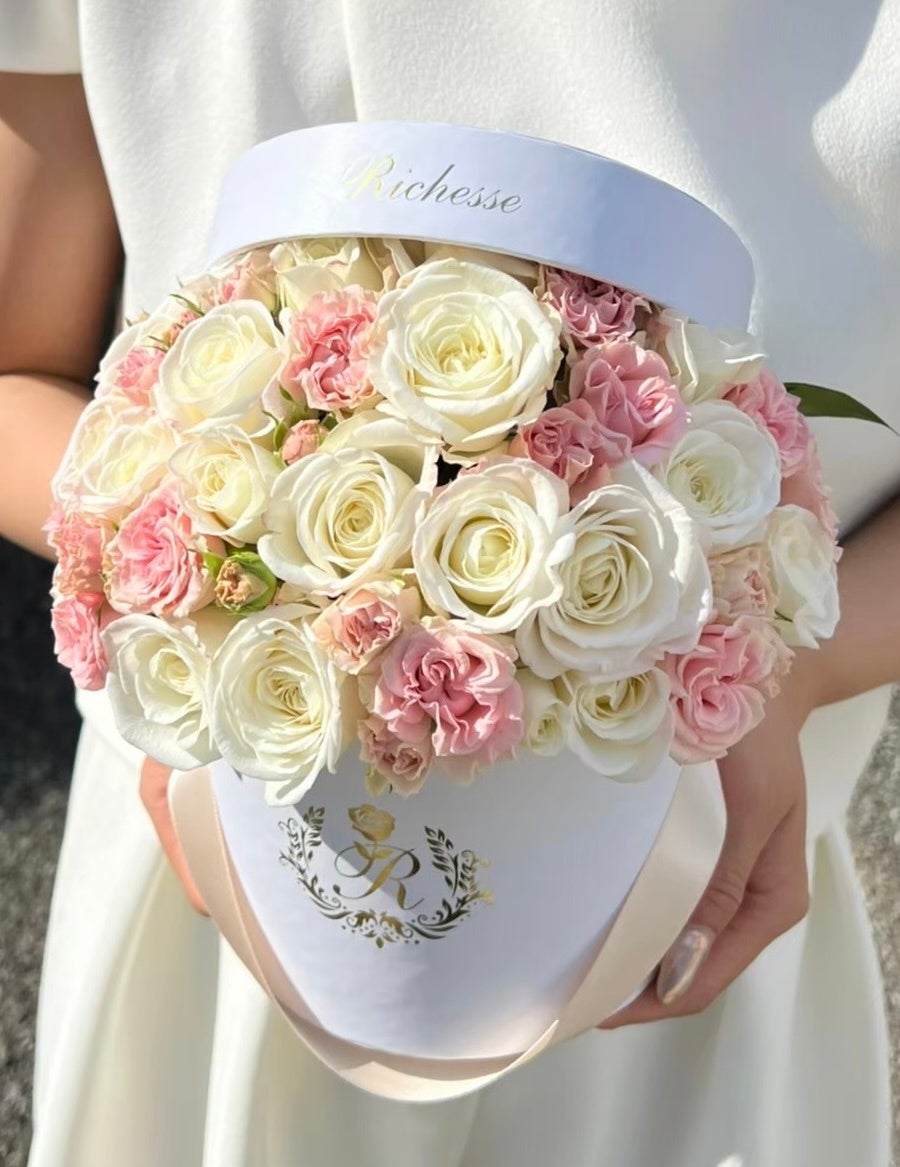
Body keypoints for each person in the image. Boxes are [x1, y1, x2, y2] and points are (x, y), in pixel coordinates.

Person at [2, 3, 898, 1164]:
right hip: (230, 839)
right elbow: (16, 366)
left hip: (694, 861)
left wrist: (799, 662)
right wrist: (198, 585)